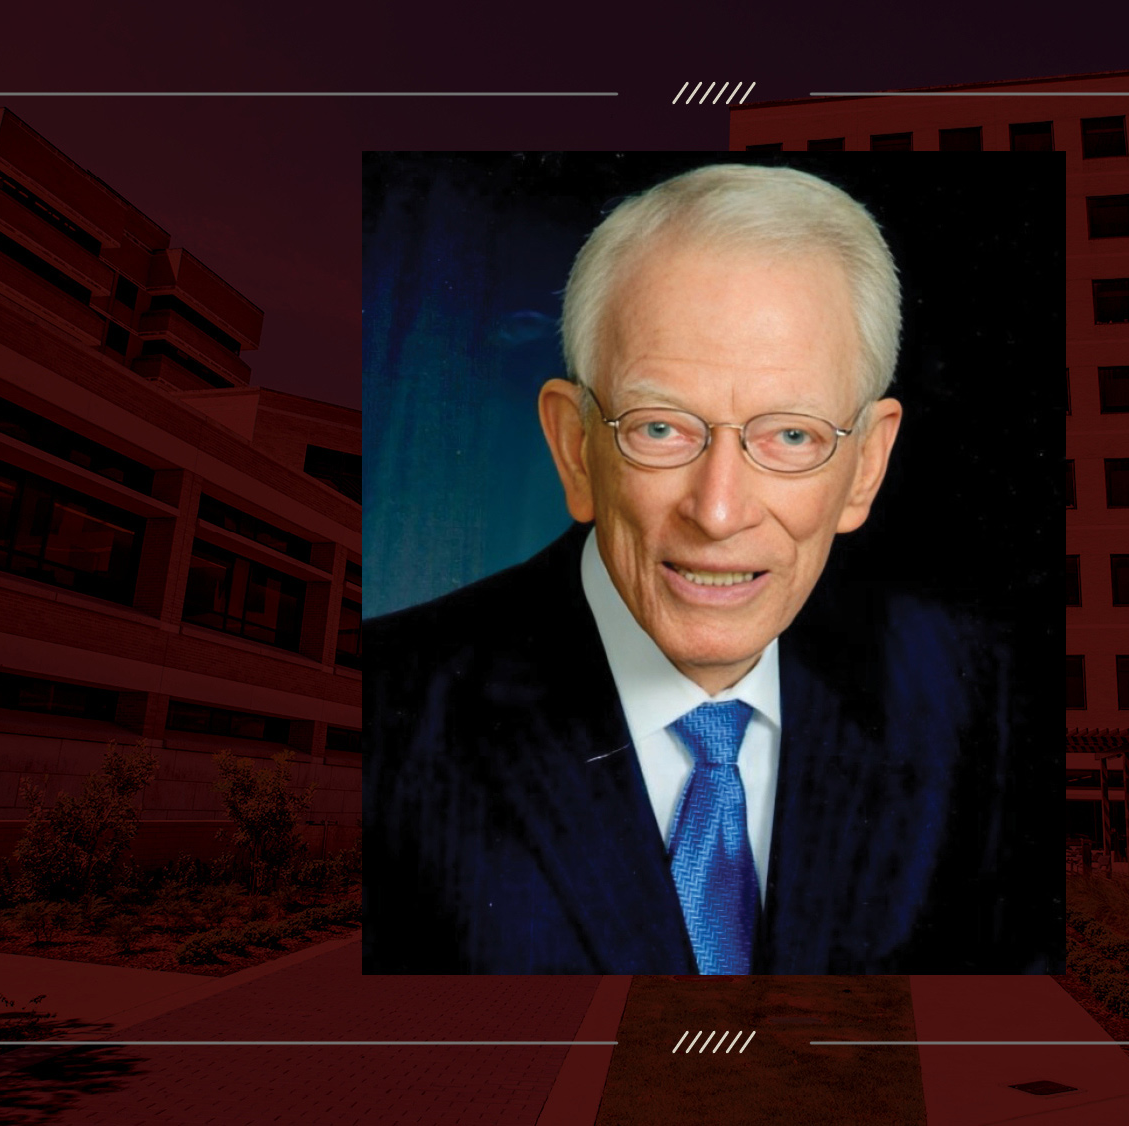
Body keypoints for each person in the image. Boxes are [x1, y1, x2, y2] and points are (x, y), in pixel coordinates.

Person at [365, 162, 1048, 974]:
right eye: (661, 429)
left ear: (866, 465)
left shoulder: (979, 696)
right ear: (575, 448)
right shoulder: (381, 715)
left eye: (790, 436)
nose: (719, 511)